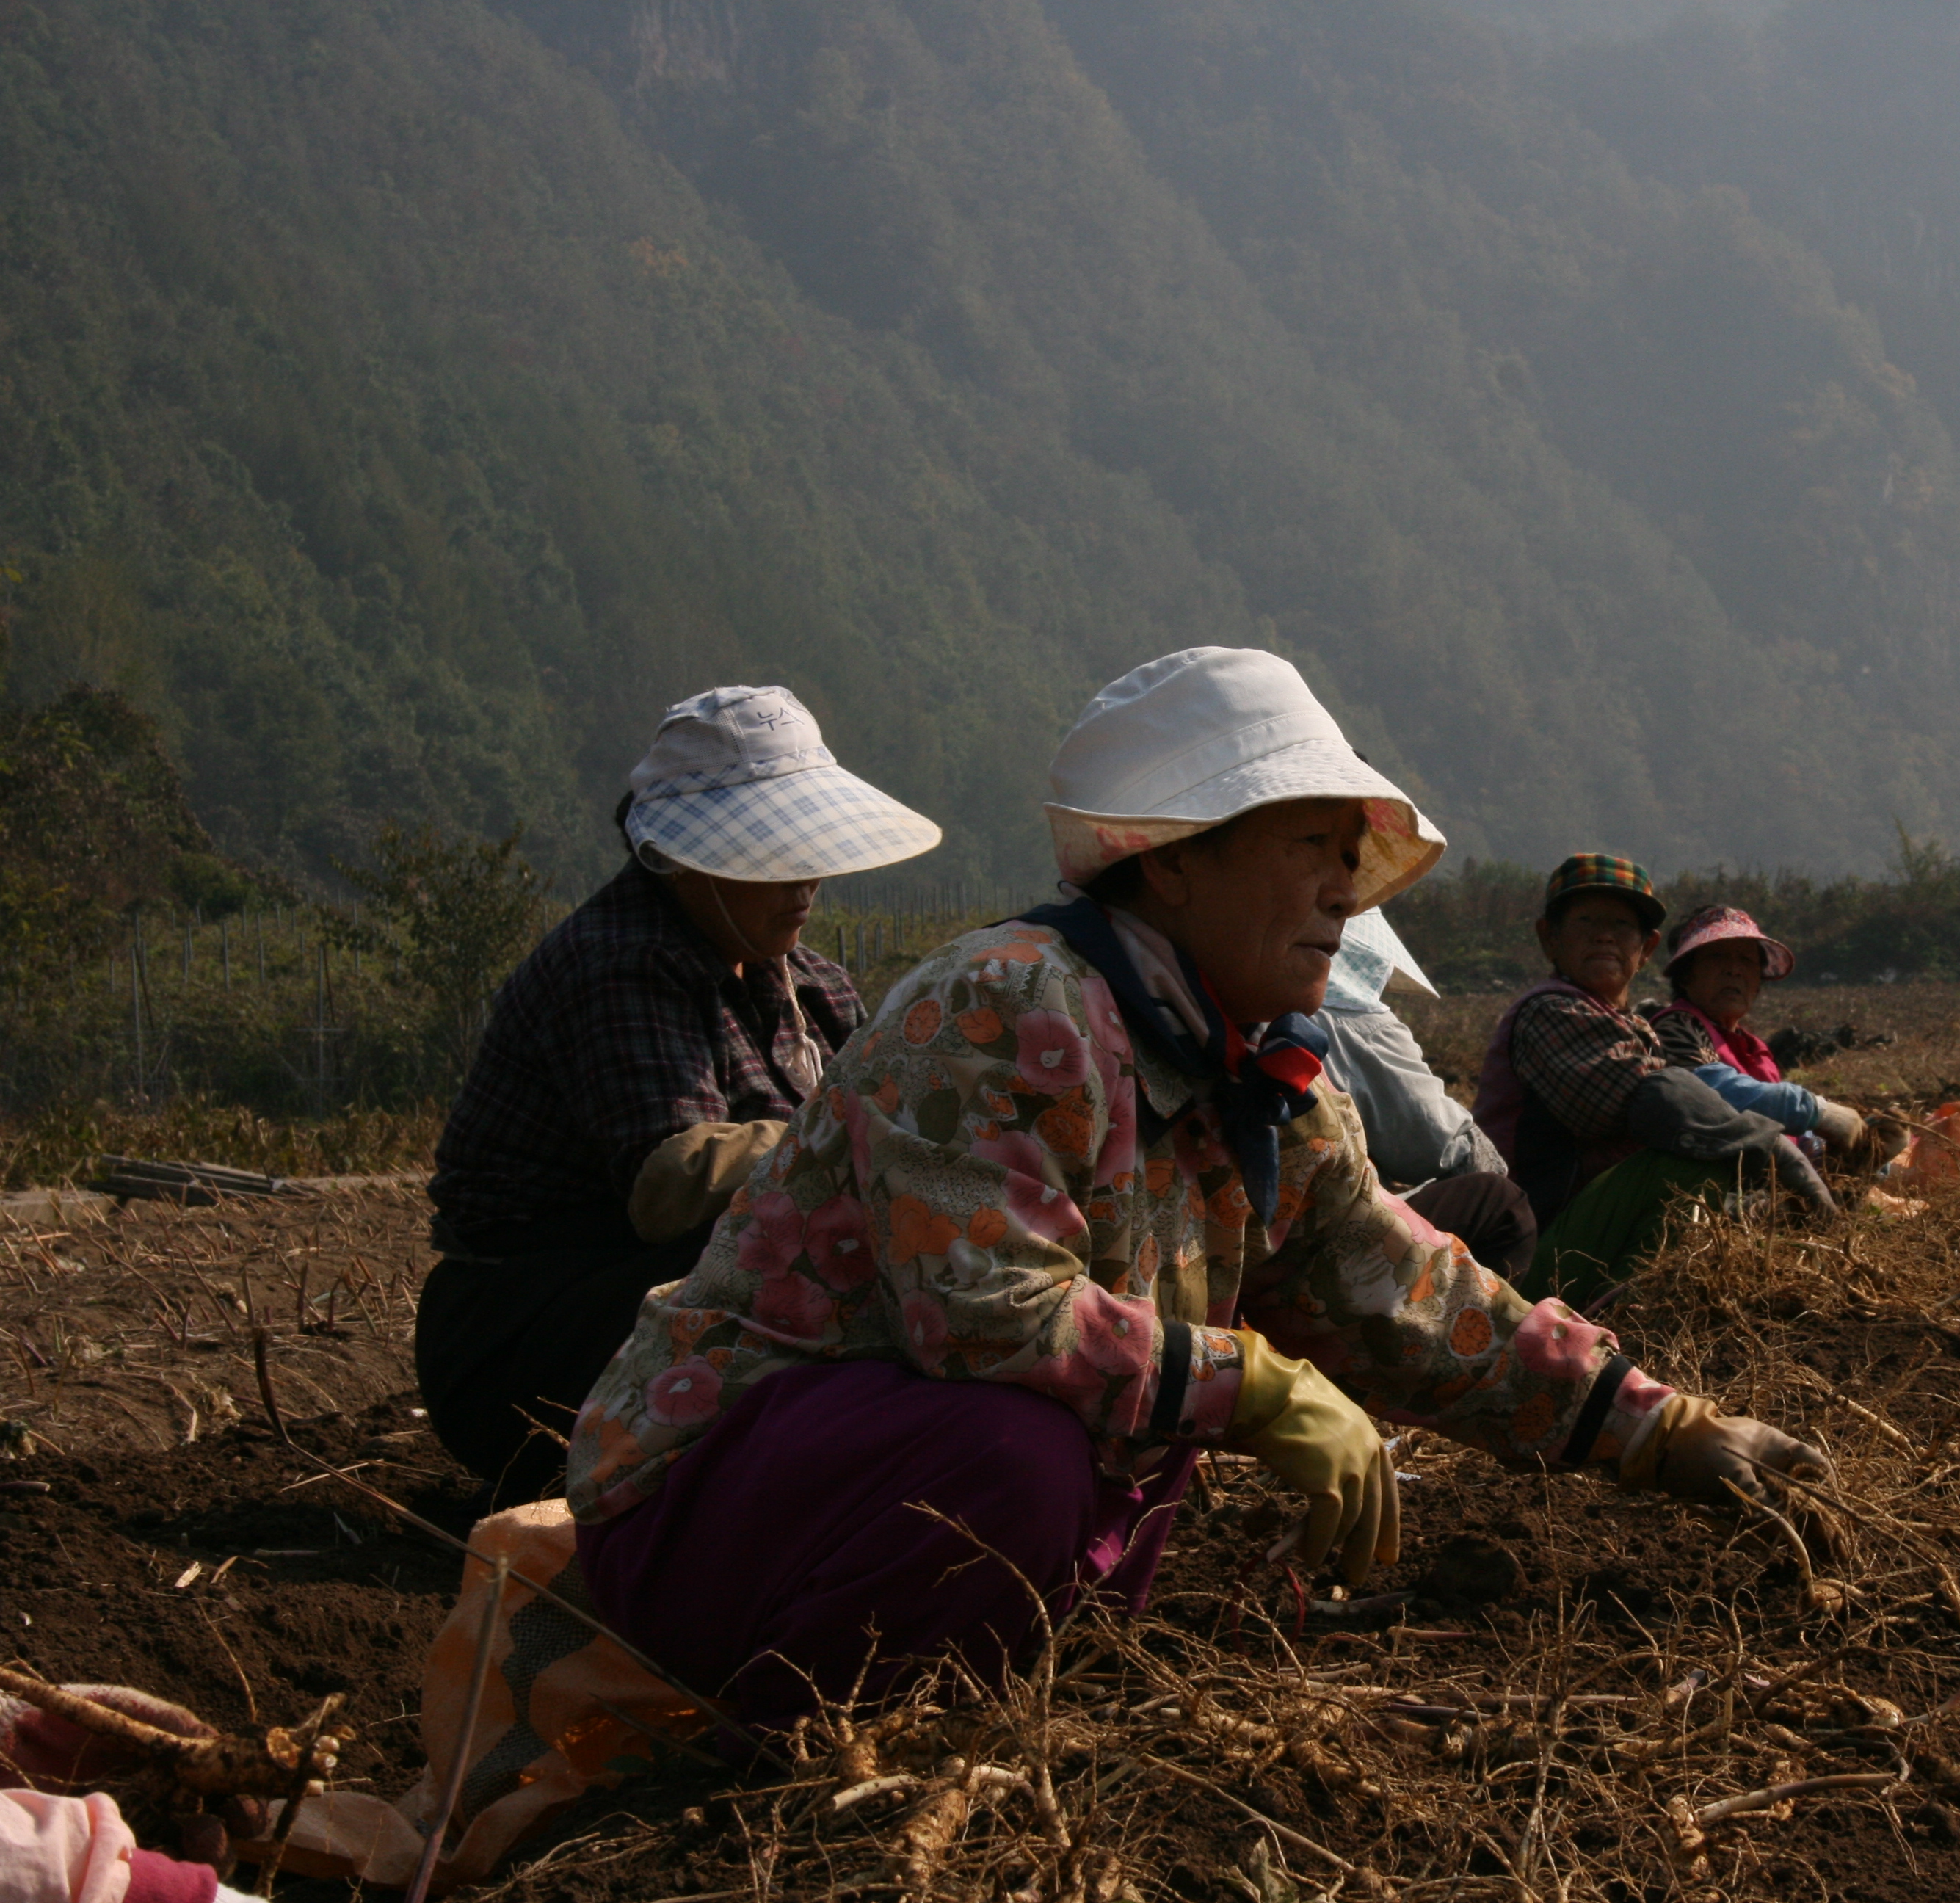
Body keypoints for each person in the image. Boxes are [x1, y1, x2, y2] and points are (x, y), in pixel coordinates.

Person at [562, 648, 1829, 1732]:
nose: (1345, 889)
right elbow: (987, 1319)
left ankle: (978, 1698)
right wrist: (1260, 1383)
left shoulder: (1259, 1078)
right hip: (711, 1509)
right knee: (1021, 1456)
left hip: (901, 1515)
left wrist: (1660, 1429)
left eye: (1353, 855)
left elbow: (1408, 1293)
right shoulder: (1008, 1003)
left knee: (1118, 1444)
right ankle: (786, 1753)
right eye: (1311, 845)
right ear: (1167, 862)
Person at [420, 686, 940, 1504]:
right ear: (688, 860)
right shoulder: (619, 963)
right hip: (529, 1340)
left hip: (648, 1316)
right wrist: (864, 1129)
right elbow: (674, 1184)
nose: (804, 881)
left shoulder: (812, 985)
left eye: (807, 849)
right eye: (772, 854)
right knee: (803, 1247)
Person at [1473, 858, 1837, 1305]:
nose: (1604, 936)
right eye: (1587, 921)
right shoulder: (1552, 1012)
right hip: (1527, 1255)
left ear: (1646, 948)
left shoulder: (1629, 1025)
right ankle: (1624, 1313)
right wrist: (1776, 1148)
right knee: (1690, 1164)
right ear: (1550, 937)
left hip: (1583, 1233)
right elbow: (1649, 1097)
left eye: (1621, 926)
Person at [1313, 908, 1536, 1278]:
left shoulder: (1257, 1003)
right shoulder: (1352, 1020)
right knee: (1500, 1202)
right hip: (1327, 1243)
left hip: (1282, 1228)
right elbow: (1434, 1144)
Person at [1646, 906, 1873, 1152]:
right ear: (1686, 976)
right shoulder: (1676, 1026)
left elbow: (1786, 1136)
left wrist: (1857, 1147)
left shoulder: (1755, 1048)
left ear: (1758, 983)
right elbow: (1710, 1092)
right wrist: (1815, 1110)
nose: (1734, 970)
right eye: (1717, 957)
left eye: (1746, 960)